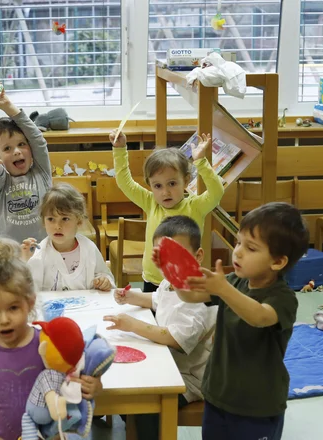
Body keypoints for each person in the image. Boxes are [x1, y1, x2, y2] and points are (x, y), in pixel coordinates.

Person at [161, 202, 309, 440]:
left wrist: (223, 289)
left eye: (251, 248)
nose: (237, 251)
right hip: (218, 395)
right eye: (238, 242)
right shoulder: (234, 282)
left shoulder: (283, 298)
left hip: (257, 406)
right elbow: (191, 295)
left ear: (278, 262)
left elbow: (259, 317)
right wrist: (172, 271)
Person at [0, 239, 102, 440]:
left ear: (30, 303)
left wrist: (95, 386)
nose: (4, 319)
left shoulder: (48, 345)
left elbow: (77, 376)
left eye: (13, 308)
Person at [105, 215, 217, 440]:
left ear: (198, 256)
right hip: (166, 364)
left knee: (146, 407)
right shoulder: (170, 282)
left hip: (189, 379)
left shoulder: (200, 297)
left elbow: (175, 339)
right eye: (164, 257)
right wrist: (131, 297)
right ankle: (134, 426)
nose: (170, 263)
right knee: (127, 393)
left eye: (178, 255)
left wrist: (133, 325)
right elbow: (156, 299)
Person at [110, 130, 224, 292]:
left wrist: (201, 162)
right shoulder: (151, 202)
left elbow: (216, 192)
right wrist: (120, 149)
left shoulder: (195, 206)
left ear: (185, 180)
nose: (165, 192)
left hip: (185, 281)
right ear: (150, 185)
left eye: (172, 183)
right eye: (158, 186)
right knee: (152, 317)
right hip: (153, 281)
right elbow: (124, 182)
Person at [0, 86, 52, 243]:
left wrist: (9, 108)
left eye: (22, 144)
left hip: (42, 250)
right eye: (7, 148)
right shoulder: (2, 182)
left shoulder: (41, 172)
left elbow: (38, 140)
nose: (16, 151)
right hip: (9, 254)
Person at [21, 183, 114, 292]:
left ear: (78, 221)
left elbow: (103, 274)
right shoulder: (39, 254)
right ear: (43, 221)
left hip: (86, 307)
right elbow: (28, 291)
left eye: (65, 219)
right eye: (51, 219)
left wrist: (104, 281)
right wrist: (24, 262)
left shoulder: (89, 248)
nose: (57, 226)